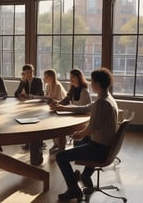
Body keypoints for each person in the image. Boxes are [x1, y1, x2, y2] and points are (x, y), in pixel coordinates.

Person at [53, 68, 118, 201]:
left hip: (100, 149)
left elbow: (91, 128)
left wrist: (80, 134)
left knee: (61, 156)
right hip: (106, 146)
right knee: (80, 143)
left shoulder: (101, 103)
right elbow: (86, 108)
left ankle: (73, 189)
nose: (91, 83)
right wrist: (64, 108)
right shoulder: (107, 98)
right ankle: (83, 177)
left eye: (93, 81)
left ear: (98, 84)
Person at [49, 68, 92, 154]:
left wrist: (63, 107)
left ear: (79, 78)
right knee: (55, 121)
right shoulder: (73, 89)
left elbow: (82, 108)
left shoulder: (84, 91)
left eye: (73, 77)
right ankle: (58, 144)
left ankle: (60, 146)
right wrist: (57, 103)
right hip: (75, 114)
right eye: (70, 77)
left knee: (60, 124)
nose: (71, 79)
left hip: (83, 117)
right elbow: (65, 100)